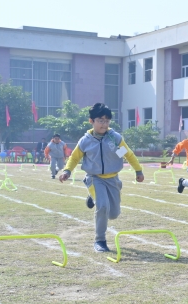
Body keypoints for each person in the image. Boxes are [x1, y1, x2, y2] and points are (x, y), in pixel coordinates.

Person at [58, 103, 144, 252]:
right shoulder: (85, 141)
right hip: (95, 178)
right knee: (102, 206)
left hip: (113, 179)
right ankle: (100, 240)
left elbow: (128, 154)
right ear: (91, 121)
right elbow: (74, 157)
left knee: (113, 214)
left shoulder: (115, 138)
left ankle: (92, 198)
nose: (104, 124)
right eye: (100, 120)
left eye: (107, 121)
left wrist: (138, 170)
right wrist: (67, 171)